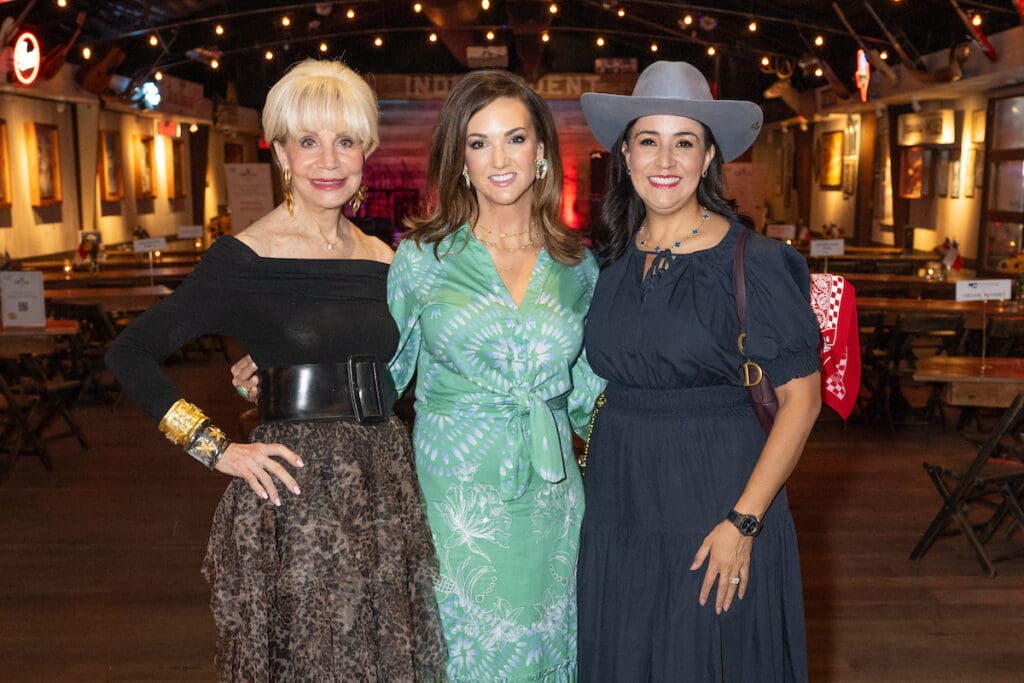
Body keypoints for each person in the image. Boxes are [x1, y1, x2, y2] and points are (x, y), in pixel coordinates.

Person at [234, 69, 605, 681]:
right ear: (460, 160)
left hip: (552, 504)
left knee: (546, 654)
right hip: (452, 504)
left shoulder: (578, 266)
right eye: (478, 143)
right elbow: (381, 375)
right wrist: (286, 372)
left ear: (541, 151)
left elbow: (595, 394)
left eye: (515, 139)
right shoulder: (423, 260)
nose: (499, 159)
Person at [106, 59, 447, 681]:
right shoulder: (245, 257)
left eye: (345, 141)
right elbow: (129, 352)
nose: (329, 160)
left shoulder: (383, 258)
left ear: (366, 151)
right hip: (296, 493)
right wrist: (215, 448)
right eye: (308, 142)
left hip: (386, 484)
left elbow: (402, 370)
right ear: (282, 153)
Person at [576, 61, 821, 681]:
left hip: (717, 497)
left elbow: (802, 402)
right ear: (625, 155)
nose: (665, 158)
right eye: (648, 140)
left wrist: (744, 520)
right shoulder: (605, 260)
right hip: (619, 500)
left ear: (709, 158)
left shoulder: (755, 262)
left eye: (684, 141)